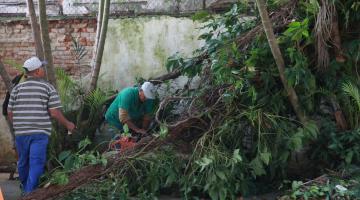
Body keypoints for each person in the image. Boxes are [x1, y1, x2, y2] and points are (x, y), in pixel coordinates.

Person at [7, 56, 76, 194]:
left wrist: (20, 125)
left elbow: (9, 112)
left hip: (21, 134)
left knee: (23, 162)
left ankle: (25, 189)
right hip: (39, 134)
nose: (43, 70)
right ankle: (29, 194)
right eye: (42, 68)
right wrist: (69, 124)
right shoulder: (47, 87)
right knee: (36, 164)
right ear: (37, 71)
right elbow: (54, 113)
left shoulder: (17, 89)